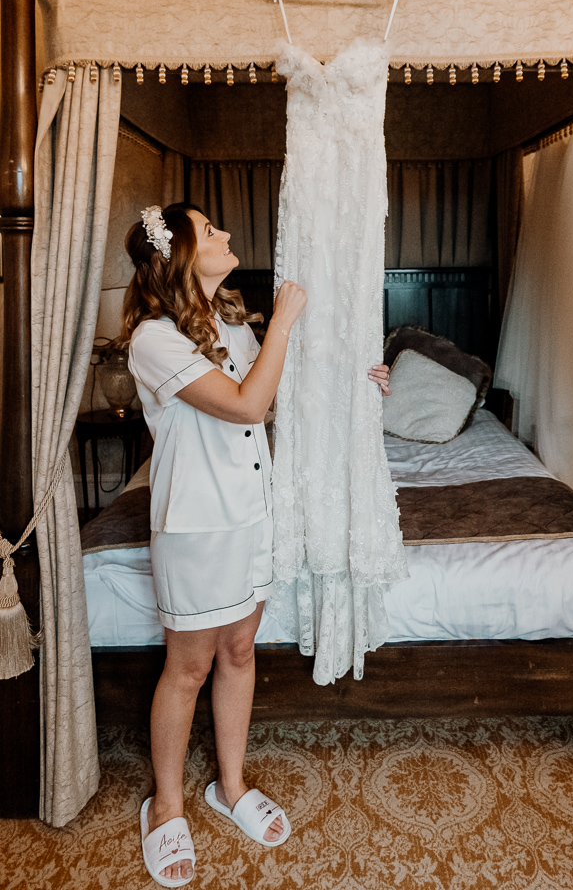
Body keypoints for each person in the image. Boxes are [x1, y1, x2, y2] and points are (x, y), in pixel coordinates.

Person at [121, 203, 391, 887]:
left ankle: (231, 786)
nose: (226, 236)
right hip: (196, 528)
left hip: (254, 514)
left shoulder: (234, 324)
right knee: (187, 669)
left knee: (239, 650)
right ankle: (168, 804)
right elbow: (245, 405)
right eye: (210, 232)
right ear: (180, 254)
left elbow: (282, 392)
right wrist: (288, 320)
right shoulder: (153, 339)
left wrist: (360, 387)